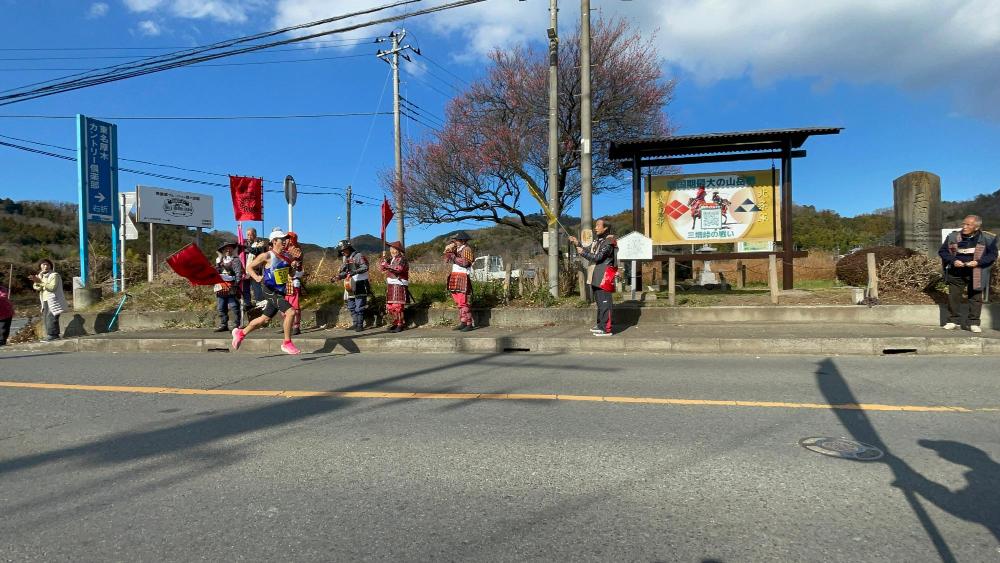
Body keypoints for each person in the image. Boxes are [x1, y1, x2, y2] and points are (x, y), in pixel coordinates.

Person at [231, 229, 300, 355]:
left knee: (264, 320)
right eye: (282, 240)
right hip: (269, 290)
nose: (285, 242)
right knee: (291, 312)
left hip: (280, 292)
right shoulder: (267, 256)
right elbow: (249, 267)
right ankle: (287, 343)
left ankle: (240, 333)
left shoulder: (287, 257)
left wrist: (294, 267)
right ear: (274, 242)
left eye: (285, 239)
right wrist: (257, 278)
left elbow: (291, 273)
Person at [938, 214, 997, 333]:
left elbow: (992, 255)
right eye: (963, 224)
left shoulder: (988, 238)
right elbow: (943, 251)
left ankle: (974, 323)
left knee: (975, 298)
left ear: (976, 227)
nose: (964, 227)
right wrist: (954, 260)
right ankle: (952, 321)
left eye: (968, 225)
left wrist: (978, 262)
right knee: (953, 297)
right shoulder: (953, 236)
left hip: (977, 271)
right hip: (957, 271)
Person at [570, 218, 618, 337]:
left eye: (598, 225)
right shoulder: (600, 241)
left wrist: (582, 253)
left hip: (604, 276)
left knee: (605, 303)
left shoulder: (609, 241)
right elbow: (589, 251)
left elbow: (598, 257)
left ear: (605, 228)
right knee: (600, 302)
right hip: (596, 275)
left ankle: (606, 329)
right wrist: (577, 244)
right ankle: (601, 325)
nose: (595, 228)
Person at [333, 240, 371, 332]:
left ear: (349, 248)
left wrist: (354, 272)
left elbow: (365, 267)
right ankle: (355, 323)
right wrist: (338, 277)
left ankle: (359, 324)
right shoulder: (346, 258)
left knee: (359, 305)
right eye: (341, 251)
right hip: (349, 283)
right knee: (351, 305)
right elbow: (344, 272)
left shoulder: (358, 256)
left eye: (344, 249)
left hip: (360, 282)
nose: (343, 252)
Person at [29, 259, 68, 341]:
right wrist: (37, 282)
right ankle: (51, 335)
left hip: (54, 299)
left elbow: (52, 288)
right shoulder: (41, 275)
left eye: (48, 265)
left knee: (51, 317)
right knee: (46, 318)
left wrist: (40, 282)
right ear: (40, 266)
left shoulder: (54, 275)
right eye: (43, 265)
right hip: (45, 300)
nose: (46, 266)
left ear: (51, 266)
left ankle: (53, 335)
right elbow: (36, 287)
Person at [443, 231, 475, 331]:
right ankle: (463, 321)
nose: (455, 242)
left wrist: (453, 256)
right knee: (458, 301)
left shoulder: (466, 249)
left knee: (463, 301)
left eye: (456, 240)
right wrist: (448, 252)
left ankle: (469, 323)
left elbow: (466, 263)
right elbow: (446, 260)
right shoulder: (457, 250)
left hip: (462, 275)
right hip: (455, 275)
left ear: (462, 240)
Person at [379, 241, 409, 333]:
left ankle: (400, 324)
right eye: (391, 249)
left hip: (399, 283)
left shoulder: (402, 259)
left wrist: (387, 265)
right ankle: (396, 323)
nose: (392, 250)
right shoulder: (390, 259)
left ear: (399, 250)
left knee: (397, 305)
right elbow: (382, 269)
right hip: (391, 284)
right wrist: (382, 259)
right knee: (390, 306)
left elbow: (398, 269)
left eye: (394, 249)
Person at [213, 241, 243, 332]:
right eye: (226, 248)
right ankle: (223, 324)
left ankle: (236, 324)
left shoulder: (236, 260)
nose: (228, 250)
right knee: (221, 307)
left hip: (231, 285)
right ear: (223, 250)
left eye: (230, 248)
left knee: (234, 306)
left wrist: (236, 284)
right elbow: (216, 273)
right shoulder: (219, 260)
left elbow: (238, 273)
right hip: (220, 286)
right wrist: (218, 263)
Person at [241, 227, 268, 323]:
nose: (248, 236)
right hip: (245, 272)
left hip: (255, 271)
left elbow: (257, 251)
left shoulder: (260, 243)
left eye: (250, 234)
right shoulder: (244, 244)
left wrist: (246, 248)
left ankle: (262, 314)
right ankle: (248, 306)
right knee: (245, 292)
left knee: (258, 293)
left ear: (255, 234)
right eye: (247, 234)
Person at [284, 231, 305, 335]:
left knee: (294, 306)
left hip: (292, 281)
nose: (286, 240)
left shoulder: (296, 250)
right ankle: (288, 325)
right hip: (283, 282)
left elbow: (295, 262)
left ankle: (296, 326)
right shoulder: (284, 250)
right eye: (286, 238)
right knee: (284, 306)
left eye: (289, 238)